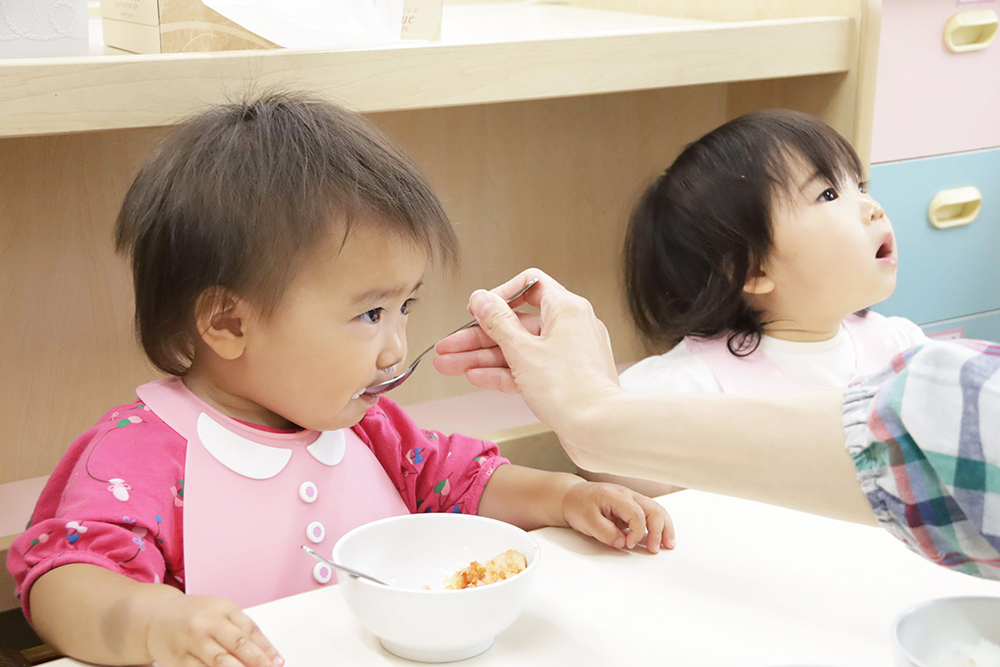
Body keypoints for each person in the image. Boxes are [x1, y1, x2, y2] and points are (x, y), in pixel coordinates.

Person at [6, 93, 674, 667]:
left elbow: (460, 479)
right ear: (228, 322)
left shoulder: (368, 425)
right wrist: (153, 623)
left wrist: (564, 498)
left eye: (405, 307)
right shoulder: (144, 454)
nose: (398, 344)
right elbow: (64, 579)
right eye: (369, 312)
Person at [433, 268, 1000, 581]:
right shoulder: (687, 374)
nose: (871, 207)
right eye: (829, 193)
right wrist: (595, 422)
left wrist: (595, 416)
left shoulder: (898, 340)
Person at [598, 111, 926, 496]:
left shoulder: (901, 348)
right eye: (828, 194)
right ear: (751, 271)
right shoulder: (696, 383)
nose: (872, 206)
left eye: (860, 185)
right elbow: (605, 454)